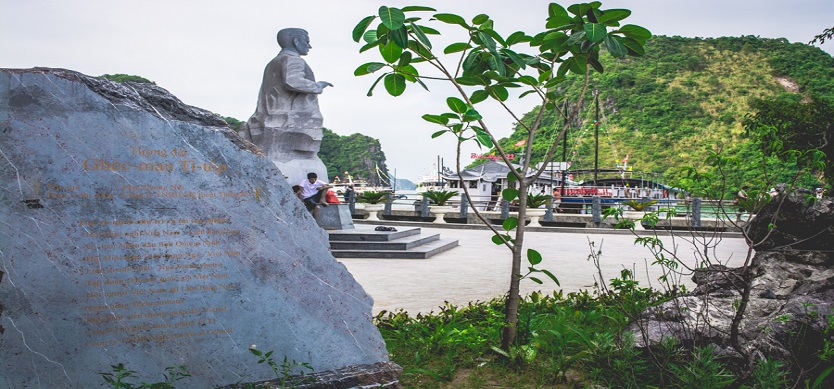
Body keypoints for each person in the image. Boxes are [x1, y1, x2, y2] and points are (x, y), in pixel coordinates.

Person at [239, 28, 333, 185]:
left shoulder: (273, 63)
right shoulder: (293, 60)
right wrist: (318, 86)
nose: (309, 46)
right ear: (296, 41)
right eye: (307, 42)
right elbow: (293, 81)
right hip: (289, 122)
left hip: (270, 118)